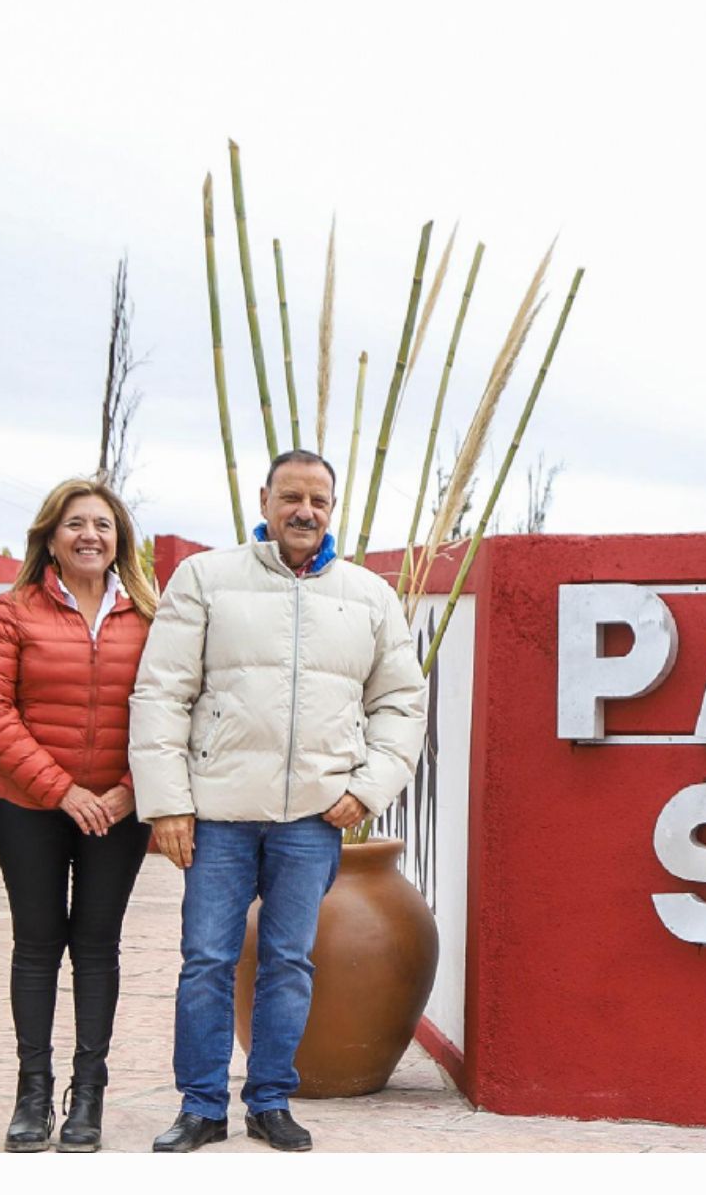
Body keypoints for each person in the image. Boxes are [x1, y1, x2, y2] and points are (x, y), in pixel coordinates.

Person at [129, 448, 425, 1153]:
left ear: (332, 511)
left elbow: (402, 703)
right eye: (291, 497)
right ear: (264, 501)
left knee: (289, 962)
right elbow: (162, 692)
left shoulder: (369, 595)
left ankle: (270, 1100)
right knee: (206, 960)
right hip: (220, 814)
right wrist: (168, 803)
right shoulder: (205, 578)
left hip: (314, 817)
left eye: (318, 501)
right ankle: (201, 1106)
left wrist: (368, 787)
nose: (304, 512)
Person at [0, 476, 156, 1152]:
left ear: (119, 541)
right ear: (51, 536)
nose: (90, 536)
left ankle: (88, 1095)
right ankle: (33, 1093)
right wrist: (60, 790)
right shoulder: (13, 612)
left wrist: (131, 790)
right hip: (29, 806)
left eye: (103, 526)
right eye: (75, 524)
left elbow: (171, 710)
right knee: (38, 943)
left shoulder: (149, 614)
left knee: (98, 946)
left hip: (119, 809)